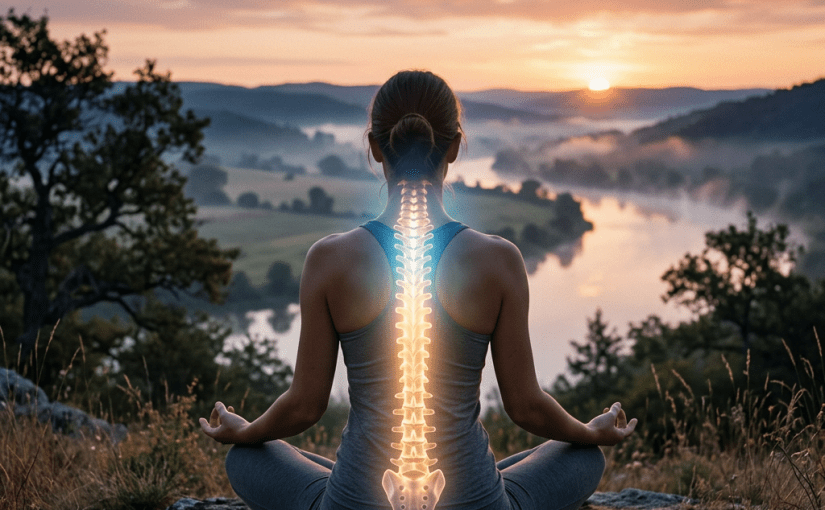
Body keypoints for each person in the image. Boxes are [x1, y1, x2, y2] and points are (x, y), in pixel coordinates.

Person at [200, 70, 637, 510]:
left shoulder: (328, 258)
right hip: (477, 502)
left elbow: (303, 407)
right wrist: (590, 432)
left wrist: (246, 431)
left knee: (248, 458)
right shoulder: (499, 259)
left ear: (375, 147)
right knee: (580, 456)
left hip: (354, 501)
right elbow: (526, 407)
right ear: (453, 146)